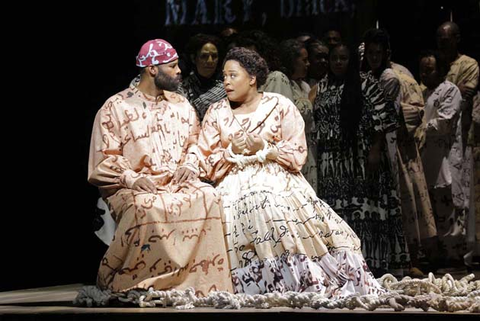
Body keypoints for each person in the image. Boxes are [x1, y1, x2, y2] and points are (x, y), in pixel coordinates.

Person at [196, 47, 384, 297]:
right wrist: (231, 150)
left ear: (252, 78)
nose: (226, 82)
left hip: (278, 176)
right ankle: (259, 280)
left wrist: (265, 147)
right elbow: (205, 158)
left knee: (271, 201)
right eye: (224, 77)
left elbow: (297, 153)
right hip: (233, 180)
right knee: (252, 202)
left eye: (232, 76)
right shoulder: (217, 111)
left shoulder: (280, 105)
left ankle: (297, 276)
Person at [88, 39, 233, 296]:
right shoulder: (116, 107)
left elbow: (195, 143)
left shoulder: (181, 104)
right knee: (145, 206)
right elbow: (103, 159)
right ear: (152, 69)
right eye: (173, 66)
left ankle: (200, 283)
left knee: (209, 196)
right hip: (134, 185)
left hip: (175, 182)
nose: (179, 71)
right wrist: (131, 178)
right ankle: (139, 279)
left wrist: (190, 163)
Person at [311, 42, 410, 277]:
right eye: (334, 58)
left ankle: (371, 261)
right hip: (332, 163)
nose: (337, 63)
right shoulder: (322, 87)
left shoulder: (365, 83)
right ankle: (343, 264)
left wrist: (375, 149)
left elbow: (385, 117)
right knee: (337, 213)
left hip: (361, 159)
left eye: (343, 58)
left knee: (365, 210)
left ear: (352, 60)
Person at [361, 28, 437, 276]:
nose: (372, 57)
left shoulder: (394, 76)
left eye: (377, 52)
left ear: (385, 53)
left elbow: (408, 113)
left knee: (402, 200)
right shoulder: (364, 75)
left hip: (395, 145)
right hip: (374, 143)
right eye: (368, 53)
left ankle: (409, 257)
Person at [436, 21, 479, 268]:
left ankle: (461, 251)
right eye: (440, 39)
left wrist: (448, 94)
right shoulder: (437, 64)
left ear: (457, 38)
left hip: (460, 138)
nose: (443, 43)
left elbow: (462, 97)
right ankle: (443, 249)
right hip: (438, 141)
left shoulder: (469, 64)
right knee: (442, 194)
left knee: (459, 195)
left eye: (448, 38)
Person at [419, 50, 464, 269]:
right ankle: (436, 255)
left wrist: (419, 128)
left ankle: (453, 256)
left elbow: (445, 122)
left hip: (444, 158)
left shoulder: (450, 91)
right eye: (423, 71)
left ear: (441, 70)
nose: (425, 74)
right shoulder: (423, 92)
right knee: (432, 209)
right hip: (427, 159)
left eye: (430, 70)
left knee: (447, 206)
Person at [277, 39, 317, 194]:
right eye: (304, 60)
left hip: (309, 148)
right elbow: (283, 120)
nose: (308, 64)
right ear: (292, 60)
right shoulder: (281, 80)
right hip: (291, 150)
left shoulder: (304, 86)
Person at [179, 33, 226, 122]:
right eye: (204, 56)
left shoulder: (227, 87)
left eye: (214, 56)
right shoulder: (182, 88)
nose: (210, 61)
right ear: (193, 58)